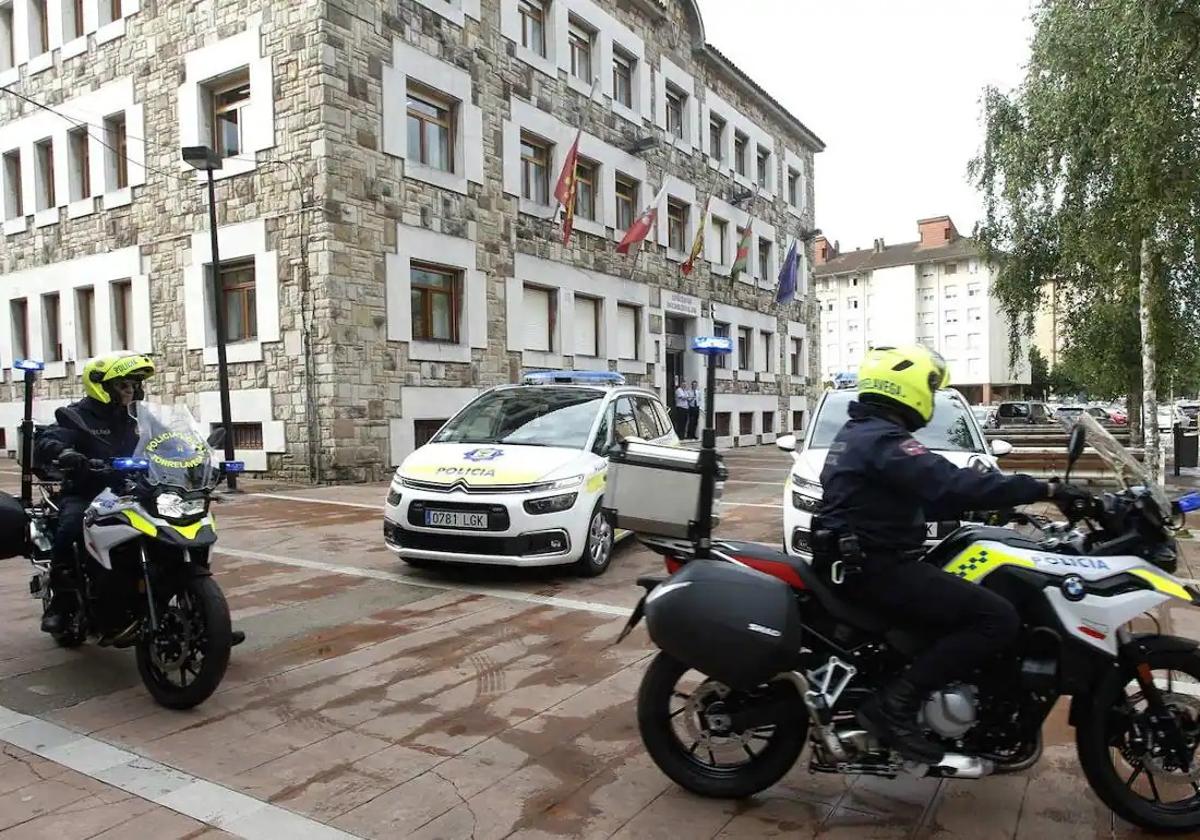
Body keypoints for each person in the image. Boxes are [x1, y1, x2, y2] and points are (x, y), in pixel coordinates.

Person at [817, 345, 1093, 763]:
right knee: (996, 617)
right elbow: (948, 484)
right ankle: (895, 704)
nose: (931, 394)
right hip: (877, 567)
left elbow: (918, 497)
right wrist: (1045, 489)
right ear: (905, 385)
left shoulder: (865, 433)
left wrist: (996, 502)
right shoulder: (881, 439)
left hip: (866, 560)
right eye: (929, 385)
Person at [34, 353, 155, 634]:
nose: (131, 390)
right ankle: (61, 604)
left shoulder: (139, 416)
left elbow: (168, 439)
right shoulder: (76, 415)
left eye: (135, 385)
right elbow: (47, 439)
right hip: (87, 491)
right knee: (71, 526)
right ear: (103, 386)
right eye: (124, 385)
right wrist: (64, 452)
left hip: (133, 490)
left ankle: (198, 609)